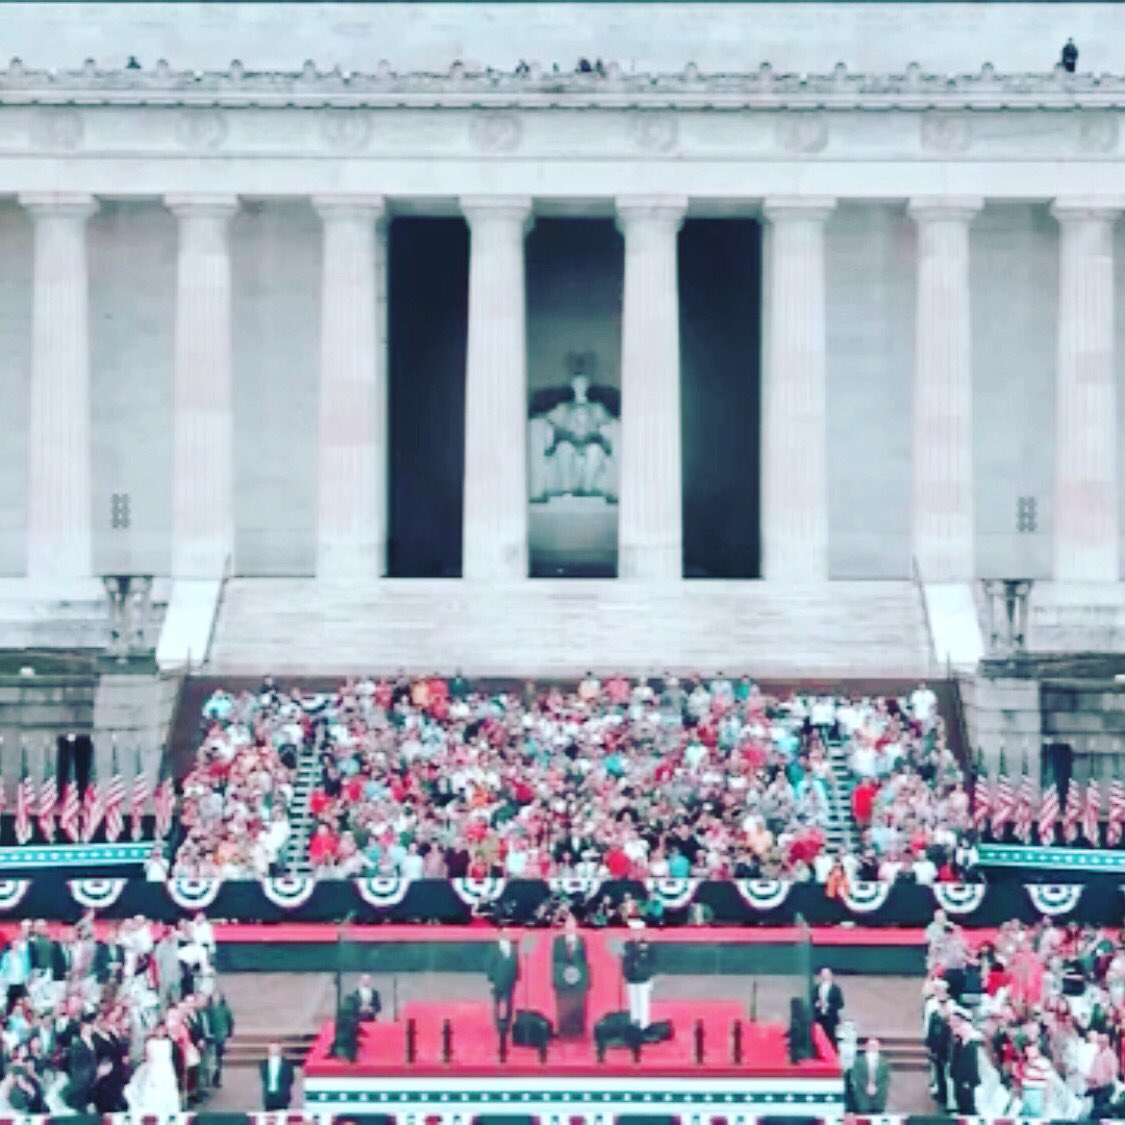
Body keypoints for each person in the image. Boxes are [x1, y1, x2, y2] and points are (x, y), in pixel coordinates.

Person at [125, 1025, 181, 1114]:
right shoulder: (150, 1042)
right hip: (154, 1067)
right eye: (158, 1030)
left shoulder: (169, 1042)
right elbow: (148, 1056)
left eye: (163, 1030)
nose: (160, 1032)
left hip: (166, 1068)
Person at [552, 914, 589, 1040]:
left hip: (578, 982)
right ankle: (564, 1031)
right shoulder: (558, 941)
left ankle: (578, 1031)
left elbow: (584, 961)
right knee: (563, 1005)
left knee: (578, 1005)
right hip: (562, 982)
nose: (570, 927)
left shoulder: (581, 941)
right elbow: (555, 960)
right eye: (568, 925)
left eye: (573, 925)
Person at [622, 921, 656, 1030]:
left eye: (638, 932)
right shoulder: (628, 945)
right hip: (632, 978)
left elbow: (652, 962)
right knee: (633, 1002)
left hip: (643, 978)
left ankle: (644, 1026)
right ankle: (634, 1025)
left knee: (643, 1003)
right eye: (633, 932)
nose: (635, 934)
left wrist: (649, 975)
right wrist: (625, 974)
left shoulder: (647, 945)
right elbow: (626, 961)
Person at [486, 928, 520, 1031]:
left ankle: (508, 1024)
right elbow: (490, 965)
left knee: (509, 1003)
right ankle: (497, 1025)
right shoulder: (494, 947)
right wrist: (491, 980)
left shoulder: (513, 946)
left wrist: (517, 976)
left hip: (509, 979)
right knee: (497, 1003)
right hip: (497, 979)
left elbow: (516, 962)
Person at [849, 1036, 891, 1112]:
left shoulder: (884, 1061)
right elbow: (856, 1076)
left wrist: (876, 1088)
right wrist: (867, 1087)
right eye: (870, 1045)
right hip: (862, 1094)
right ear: (866, 1046)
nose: (873, 1047)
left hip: (879, 1095)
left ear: (879, 1047)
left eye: (875, 1045)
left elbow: (886, 1078)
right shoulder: (859, 1061)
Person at [811, 967, 844, 1047]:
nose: (825, 976)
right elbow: (812, 1001)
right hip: (818, 1018)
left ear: (831, 975)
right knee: (817, 1038)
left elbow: (840, 1004)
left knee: (831, 1038)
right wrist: (816, 1004)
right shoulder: (816, 988)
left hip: (831, 1018)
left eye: (826, 974)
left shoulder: (836, 989)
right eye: (823, 974)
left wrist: (828, 1005)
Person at [259, 1041, 295, 1110]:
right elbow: (264, 1078)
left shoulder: (287, 1064)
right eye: (271, 1048)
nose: (273, 1050)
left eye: (275, 1048)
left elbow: (291, 1079)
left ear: (280, 1049)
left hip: (283, 1096)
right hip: (269, 1096)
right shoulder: (264, 1064)